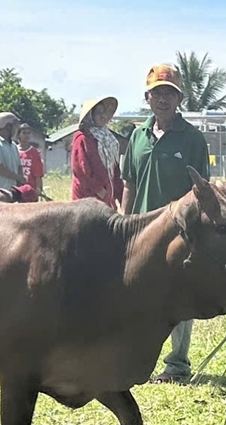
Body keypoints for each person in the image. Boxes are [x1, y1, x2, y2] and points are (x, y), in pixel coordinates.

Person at [121, 64, 209, 382]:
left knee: (179, 295)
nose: (163, 99)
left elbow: (202, 190)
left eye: (169, 93)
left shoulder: (193, 139)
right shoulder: (137, 136)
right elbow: (129, 182)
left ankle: (177, 364)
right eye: (158, 92)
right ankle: (135, 357)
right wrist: (124, 221)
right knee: (139, 293)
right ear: (148, 97)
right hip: (141, 228)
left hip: (178, 231)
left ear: (179, 98)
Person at [71, 96, 121, 207]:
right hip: (86, 198)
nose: (103, 116)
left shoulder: (109, 139)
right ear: (90, 116)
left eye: (104, 112)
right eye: (98, 113)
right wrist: (99, 190)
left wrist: (119, 195)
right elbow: (81, 170)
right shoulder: (82, 138)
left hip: (106, 197)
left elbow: (115, 170)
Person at [0, 112, 23, 193]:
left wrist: (21, 180)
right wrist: (17, 177)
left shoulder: (13, 145)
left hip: (13, 189)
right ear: (8, 126)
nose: (16, 128)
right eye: (15, 125)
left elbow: (19, 166)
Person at [16, 122, 45, 202]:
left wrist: (38, 188)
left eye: (28, 133)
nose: (26, 135)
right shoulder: (13, 150)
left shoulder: (34, 152)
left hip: (30, 190)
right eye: (24, 133)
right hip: (16, 189)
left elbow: (38, 173)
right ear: (18, 135)